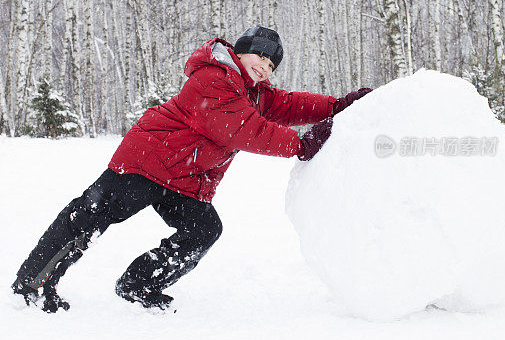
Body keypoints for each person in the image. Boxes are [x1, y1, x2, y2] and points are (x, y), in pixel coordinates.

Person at [12, 26, 372, 313]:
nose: (264, 66)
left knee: (203, 229)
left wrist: (338, 106)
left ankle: (139, 284)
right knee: (89, 218)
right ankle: (33, 283)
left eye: (272, 64)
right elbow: (242, 129)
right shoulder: (215, 77)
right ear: (240, 50)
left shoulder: (254, 90)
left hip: (183, 177)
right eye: (260, 55)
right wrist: (300, 146)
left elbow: (290, 105)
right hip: (147, 162)